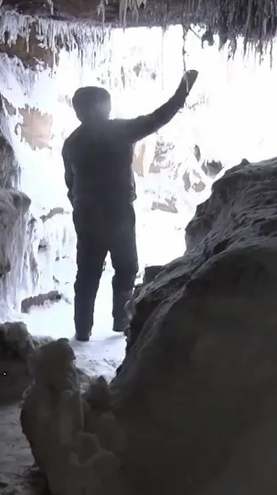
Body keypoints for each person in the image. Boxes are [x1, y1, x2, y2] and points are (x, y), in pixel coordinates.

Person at [61, 70, 198, 341]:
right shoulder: (118, 130)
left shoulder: (72, 143)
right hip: (118, 212)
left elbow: (70, 182)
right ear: (102, 107)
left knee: (87, 272)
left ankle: (82, 329)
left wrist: (81, 205)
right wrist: (181, 93)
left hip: (86, 213)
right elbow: (157, 118)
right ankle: (121, 321)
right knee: (126, 267)